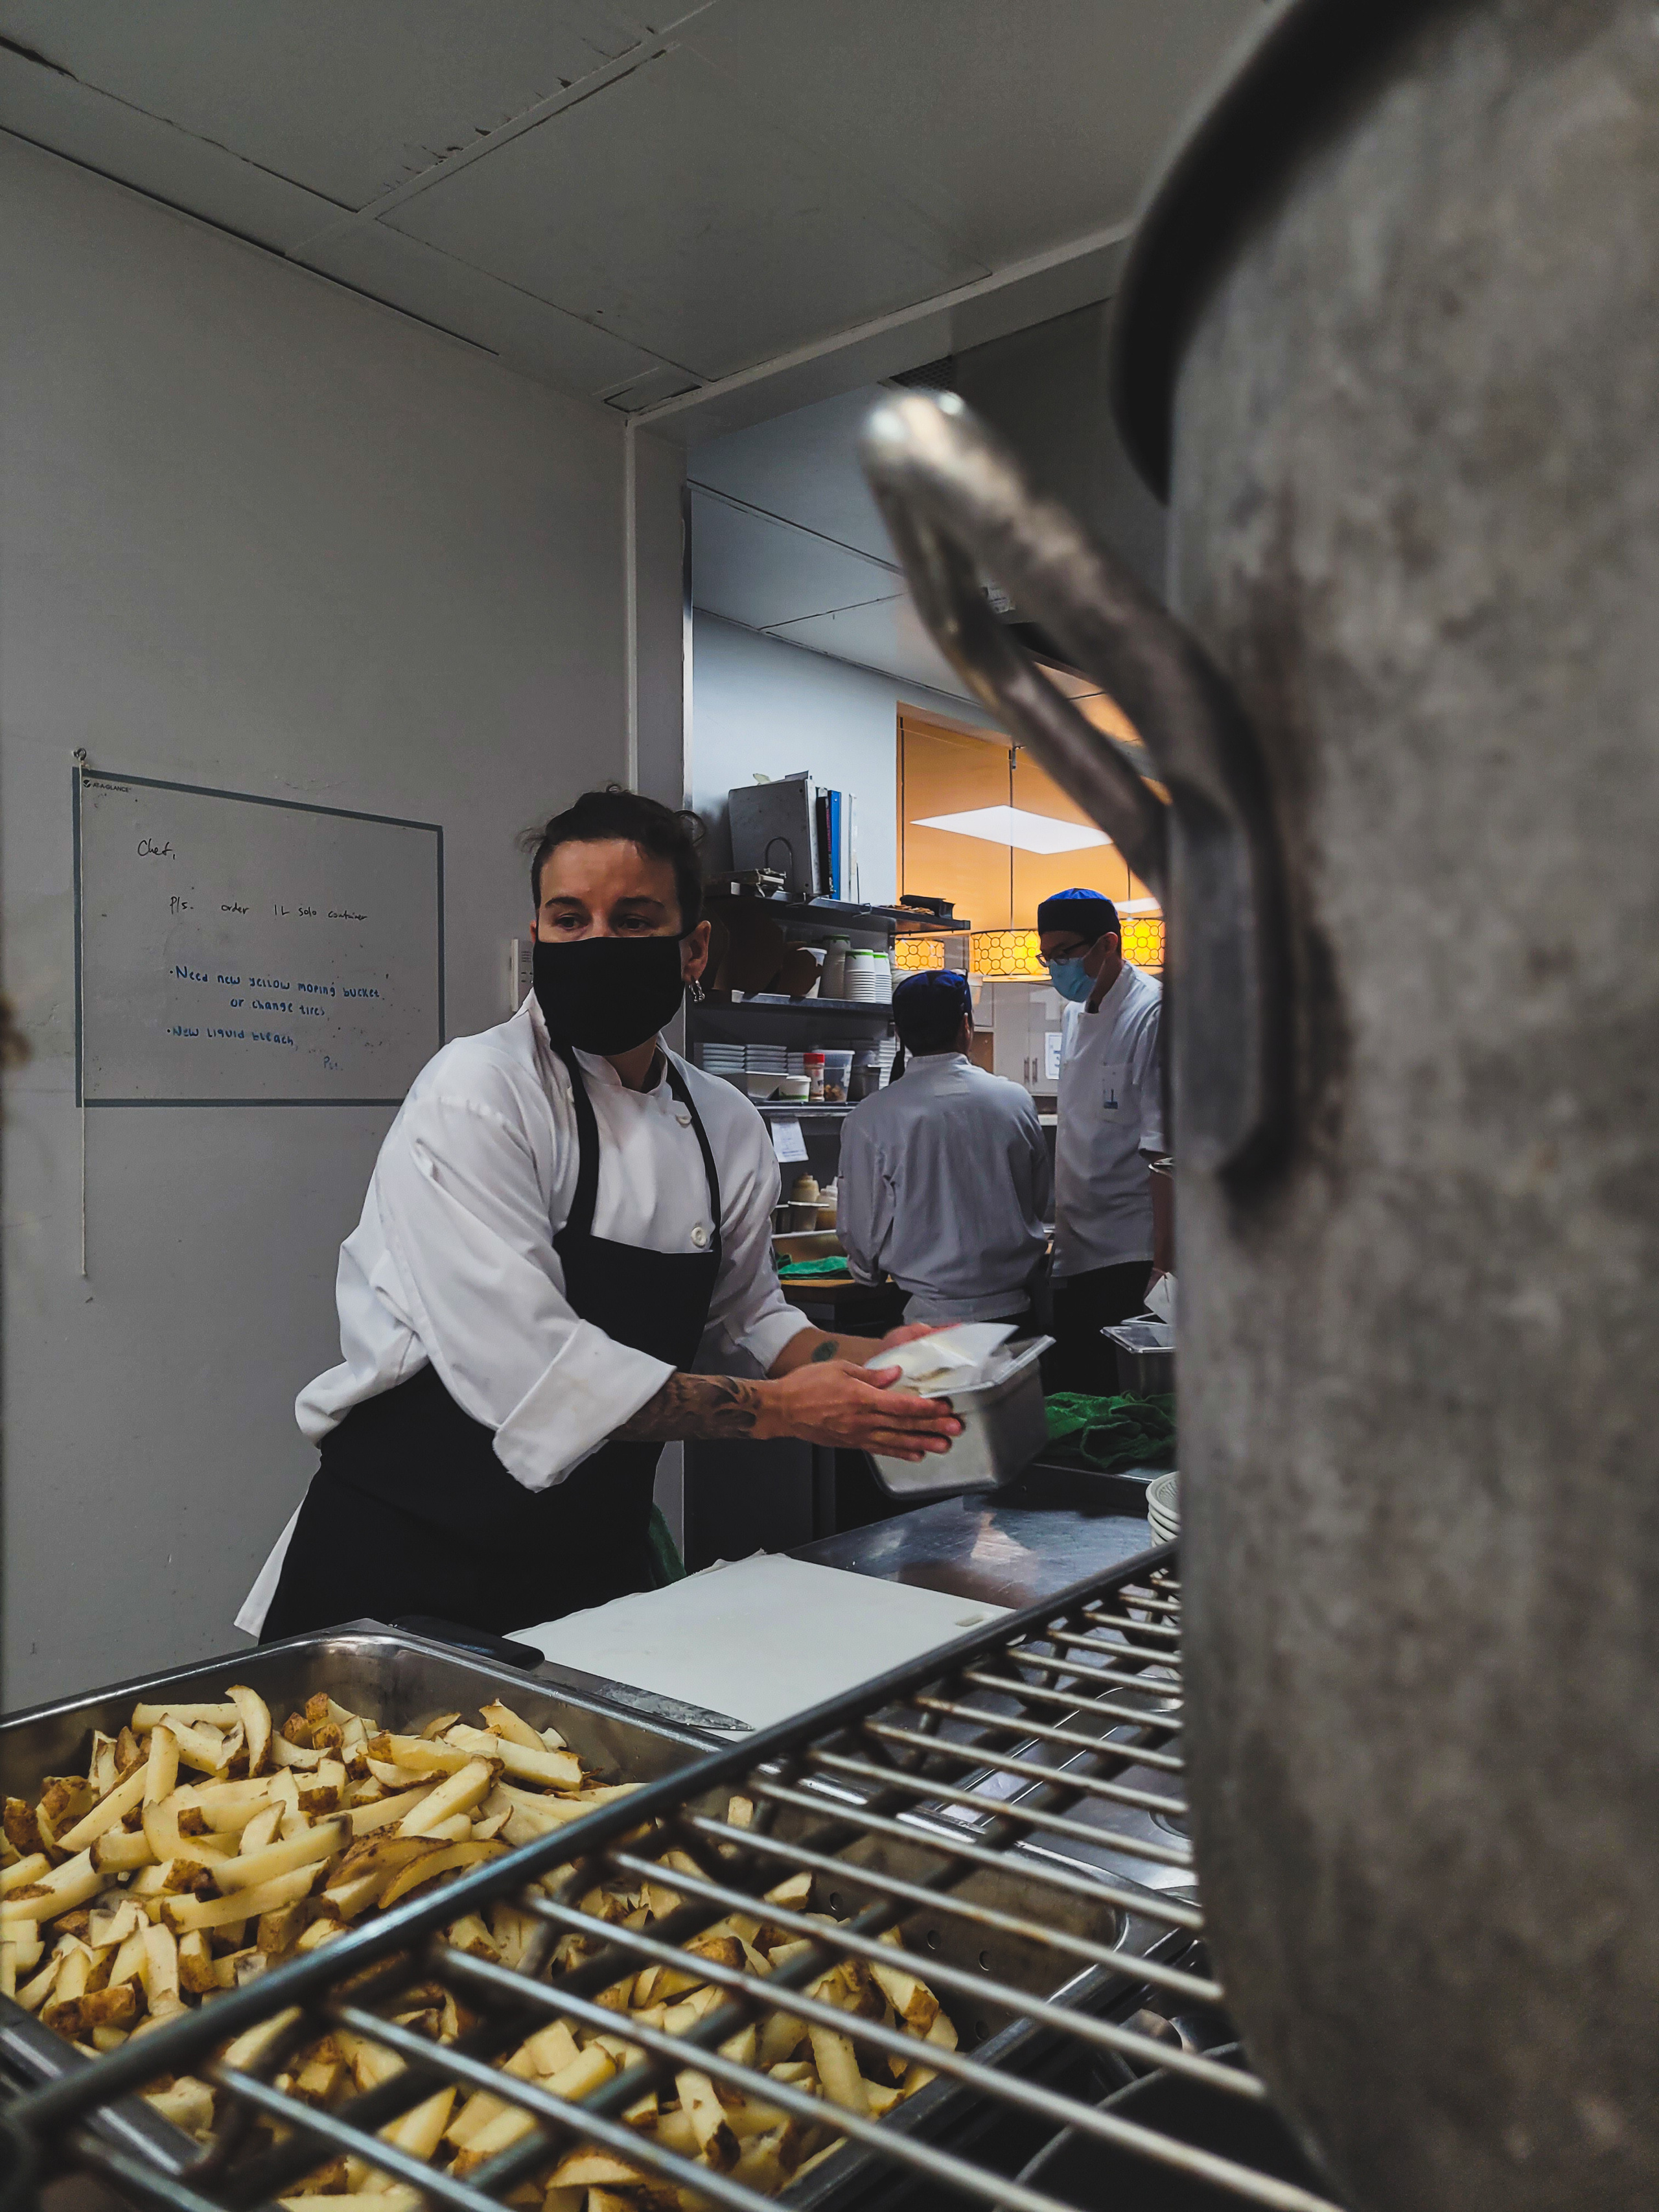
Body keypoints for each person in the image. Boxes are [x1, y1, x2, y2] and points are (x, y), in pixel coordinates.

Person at [238, 789, 959, 1642]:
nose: (596, 944)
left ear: (692, 948)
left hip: (587, 1553)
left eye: (633, 919)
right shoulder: (478, 1093)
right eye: (569, 920)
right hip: (404, 1556)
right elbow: (536, 1371)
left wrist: (886, 1364)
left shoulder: (723, 1122)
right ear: (538, 934)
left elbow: (755, 1314)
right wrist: (780, 1410)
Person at [837, 970, 1051, 1327]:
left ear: (900, 1034)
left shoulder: (871, 1117)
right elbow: (1036, 1198)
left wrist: (865, 1273)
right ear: (966, 1025)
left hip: (927, 1322)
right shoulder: (1015, 1101)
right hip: (1018, 1314)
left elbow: (862, 1228)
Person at [1037, 888, 1171, 1393]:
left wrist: (1165, 1263)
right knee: (1078, 1388)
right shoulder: (1074, 1015)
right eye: (1047, 955)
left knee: (1123, 1399)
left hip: (1131, 1254)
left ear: (1107, 944)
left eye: (1065, 953)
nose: (1056, 967)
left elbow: (1165, 1154)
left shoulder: (1152, 1013)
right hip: (1077, 1247)